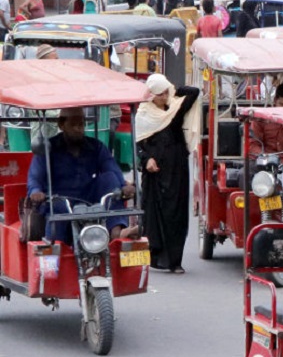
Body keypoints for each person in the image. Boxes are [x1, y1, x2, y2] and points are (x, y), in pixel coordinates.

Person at [27, 108, 140, 243]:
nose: (78, 129)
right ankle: (57, 248)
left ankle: (117, 231)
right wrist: (36, 192)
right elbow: (35, 176)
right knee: (57, 209)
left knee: (109, 178)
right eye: (73, 125)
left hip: (88, 198)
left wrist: (123, 186)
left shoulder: (96, 146)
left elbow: (111, 168)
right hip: (59, 199)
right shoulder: (48, 148)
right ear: (61, 125)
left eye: (81, 125)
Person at [135, 74, 200, 274]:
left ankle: (174, 261)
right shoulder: (143, 115)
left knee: (176, 213)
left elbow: (194, 92)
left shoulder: (174, 109)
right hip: (155, 173)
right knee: (154, 214)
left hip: (177, 168)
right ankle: (154, 255)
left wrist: (172, 89)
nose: (164, 97)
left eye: (166, 92)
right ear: (151, 95)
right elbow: (138, 144)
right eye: (160, 94)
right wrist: (147, 160)